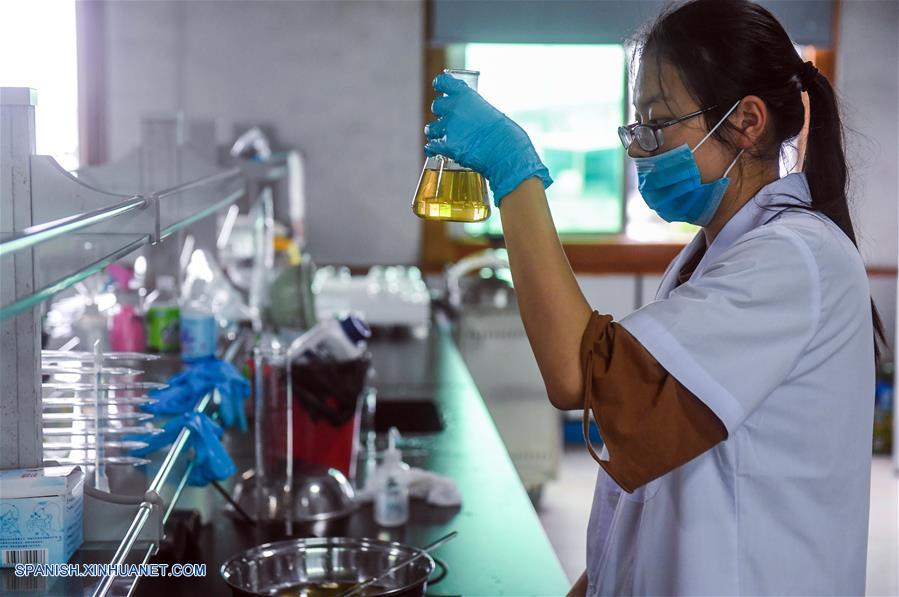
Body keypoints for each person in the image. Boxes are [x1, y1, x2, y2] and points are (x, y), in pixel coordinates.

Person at [423, 0, 885, 594]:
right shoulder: (713, 257)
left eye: (658, 124)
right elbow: (660, 453)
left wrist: (516, 175)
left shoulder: (795, 258)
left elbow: (579, 374)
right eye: (636, 126)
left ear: (747, 121)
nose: (639, 150)